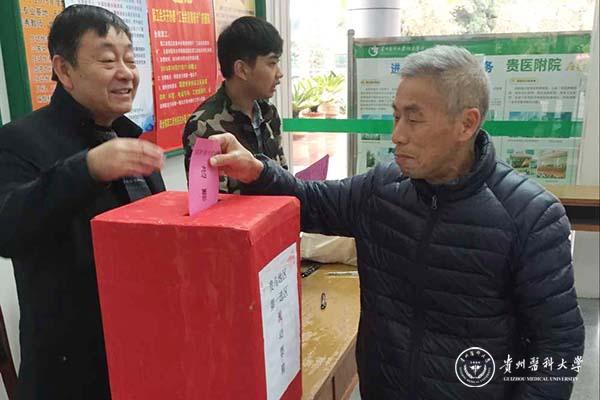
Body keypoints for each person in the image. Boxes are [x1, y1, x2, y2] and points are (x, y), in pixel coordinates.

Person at [208, 46, 585, 399]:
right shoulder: (382, 188)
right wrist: (257, 171)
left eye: (414, 119)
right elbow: (309, 201)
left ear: (466, 124)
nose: (397, 135)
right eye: (396, 116)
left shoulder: (530, 216)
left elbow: (559, 346)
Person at [0, 5, 165, 398]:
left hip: (145, 349)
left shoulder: (125, 135)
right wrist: (87, 169)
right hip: (73, 372)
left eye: (130, 60)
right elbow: (7, 228)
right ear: (64, 70)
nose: (126, 73)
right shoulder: (19, 140)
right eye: (108, 60)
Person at [182, 16, 287, 193]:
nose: (279, 73)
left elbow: (283, 177)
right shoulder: (203, 126)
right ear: (242, 69)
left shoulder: (268, 113)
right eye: (272, 63)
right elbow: (209, 200)